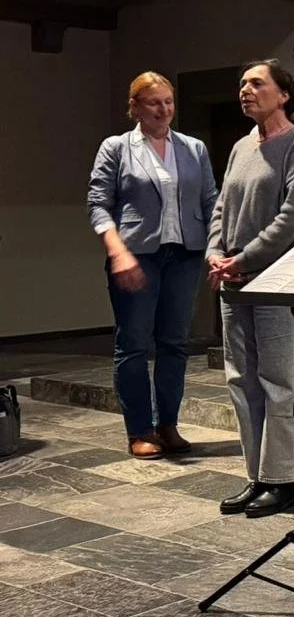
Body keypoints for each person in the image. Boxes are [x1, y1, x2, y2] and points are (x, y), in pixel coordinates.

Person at [208, 60, 294, 518]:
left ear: (283, 95)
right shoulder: (240, 147)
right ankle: (257, 476)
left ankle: (285, 480)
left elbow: (293, 216)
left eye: (256, 83)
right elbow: (221, 207)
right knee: (241, 380)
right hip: (234, 280)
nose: (245, 90)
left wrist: (244, 258)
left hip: (278, 281)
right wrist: (215, 255)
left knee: (280, 381)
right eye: (242, 83)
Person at [87, 72, 217, 458]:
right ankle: (140, 429)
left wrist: (215, 249)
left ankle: (168, 424)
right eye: (154, 102)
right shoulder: (116, 147)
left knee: (175, 343)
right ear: (135, 107)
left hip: (185, 255)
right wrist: (117, 251)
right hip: (136, 255)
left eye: (169, 102)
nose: (164, 110)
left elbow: (211, 201)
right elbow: (97, 204)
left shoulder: (194, 148)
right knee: (133, 344)